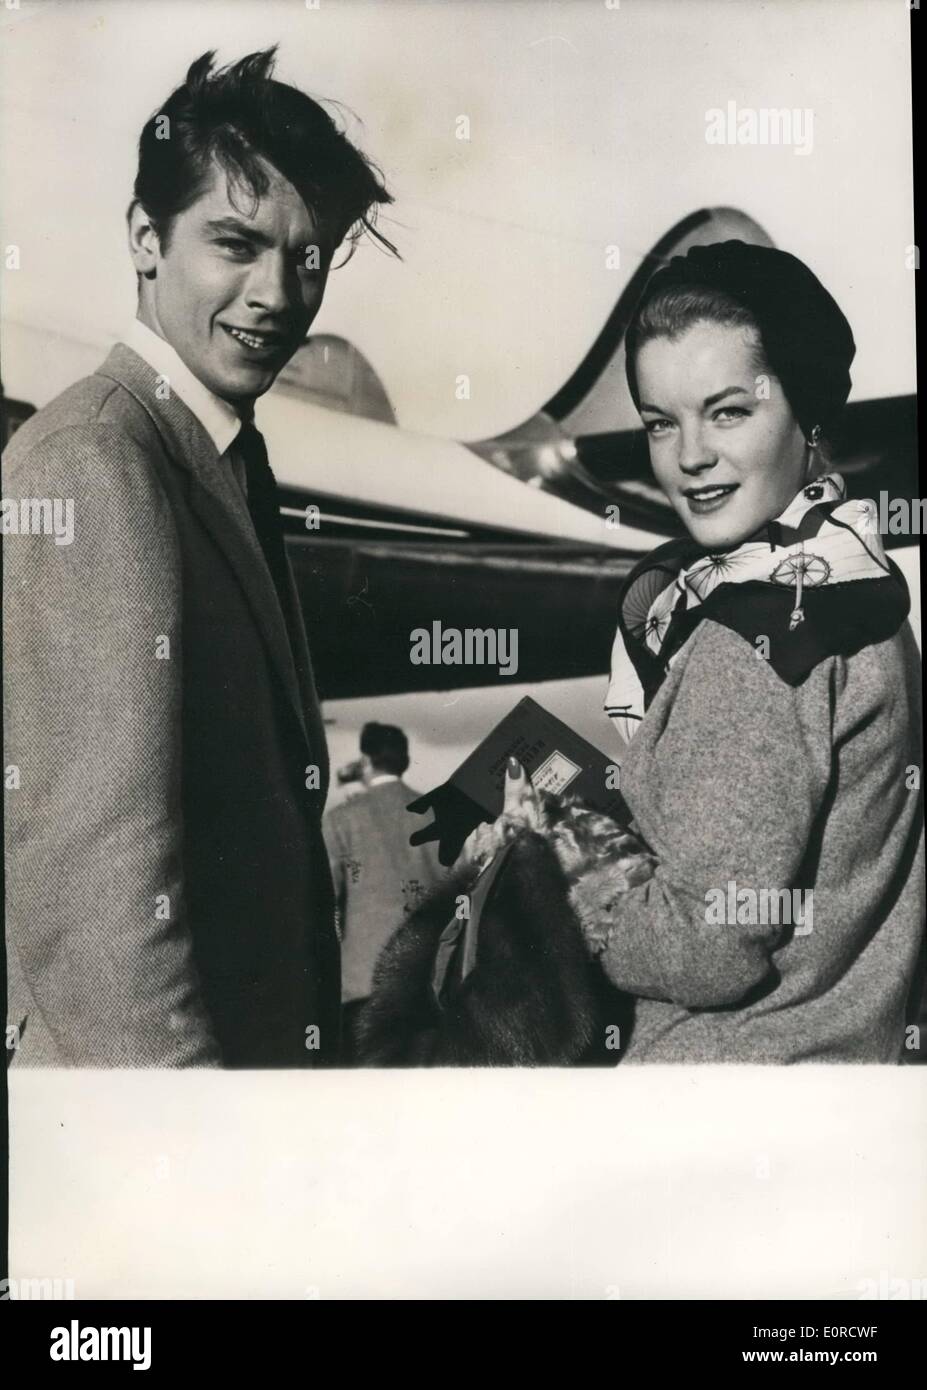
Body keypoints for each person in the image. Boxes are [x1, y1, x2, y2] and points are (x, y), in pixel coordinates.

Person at [3, 48, 395, 1066]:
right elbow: (95, 904)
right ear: (145, 238)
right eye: (235, 243)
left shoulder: (209, 448)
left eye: (305, 256)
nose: (276, 295)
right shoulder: (95, 460)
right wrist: (195, 1153)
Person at [481, 241, 924, 1064]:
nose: (688, 457)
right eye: (660, 423)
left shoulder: (753, 638)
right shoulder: (858, 590)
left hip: (715, 1103)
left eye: (727, 411)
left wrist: (557, 870)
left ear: (810, 413)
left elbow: (704, 948)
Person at [323, 723, 445, 1062]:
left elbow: (325, 901)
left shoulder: (340, 819)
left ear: (365, 760)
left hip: (363, 980)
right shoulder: (434, 813)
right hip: (425, 976)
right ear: (404, 761)